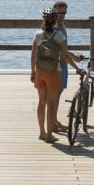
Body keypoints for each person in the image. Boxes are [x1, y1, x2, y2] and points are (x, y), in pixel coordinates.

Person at [31, 7, 82, 142]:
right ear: (55, 21)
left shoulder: (37, 35)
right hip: (54, 72)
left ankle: (42, 133)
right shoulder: (59, 35)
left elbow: (33, 56)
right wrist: (77, 67)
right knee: (51, 104)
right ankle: (49, 135)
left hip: (40, 72)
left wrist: (33, 72)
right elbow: (64, 55)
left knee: (41, 102)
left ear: (43, 20)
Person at [52, 0, 82, 132]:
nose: (62, 15)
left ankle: (54, 121)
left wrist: (73, 55)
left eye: (64, 13)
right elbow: (62, 53)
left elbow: (62, 49)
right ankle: (53, 123)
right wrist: (76, 67)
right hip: (59, 66)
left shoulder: (59, 25)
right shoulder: (57, 28)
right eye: (59, 13)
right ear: (54, 12)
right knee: (55, 96)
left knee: (55, 95)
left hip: (60, 64)